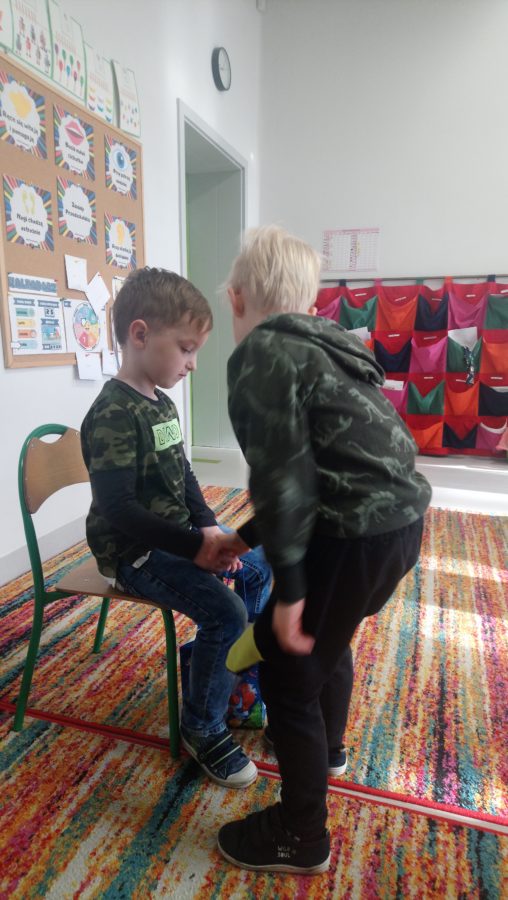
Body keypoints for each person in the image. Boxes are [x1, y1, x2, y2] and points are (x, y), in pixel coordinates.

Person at [216, 226, 432, 874]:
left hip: (353, 536)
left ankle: (300, 833)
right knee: (324, 642)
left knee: (289, 673)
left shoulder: (259, 354)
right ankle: (328, 749)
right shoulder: (333, 348)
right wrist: (243, 538)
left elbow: (284, 480)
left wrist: (289, 590)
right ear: (310, 303)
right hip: (400, 527)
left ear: (235, 298)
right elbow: (321, 467)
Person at [80, 267, 271, 789]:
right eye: (186, 349)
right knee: (226, 612)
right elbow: (118, 509)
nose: (192, 364)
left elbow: (182, 473)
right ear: (140, 335)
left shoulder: (161, 403)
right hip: (132, 553)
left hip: (175, 534)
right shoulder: (113, 413)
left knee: (259, 565)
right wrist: (194, 547)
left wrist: (207, 528)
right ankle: (202, 725)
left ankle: (232, 676)